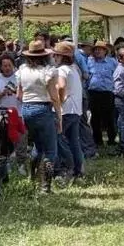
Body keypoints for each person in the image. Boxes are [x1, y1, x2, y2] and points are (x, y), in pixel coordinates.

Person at [17, 40, 60, 192]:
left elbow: (19, 95)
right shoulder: (48, 71)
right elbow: (54, 97)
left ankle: (33, 177)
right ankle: (45, 187)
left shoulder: (22, 70)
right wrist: (59, 117)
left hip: (26, 109)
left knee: (37, 146)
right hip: (42, 107)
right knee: (50, 150)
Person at [54, 42, 84, 180]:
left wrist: (58, 102)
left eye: (56, 55)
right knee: (74, 141)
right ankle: (78, 169)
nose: (54, 57)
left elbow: (61, 87)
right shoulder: (74, 68)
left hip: (66, 110)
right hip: (76, 109)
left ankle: (68, 166)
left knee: (58, 138)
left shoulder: (62, 70)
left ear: (61, 57)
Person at [86, 40, 118, 149]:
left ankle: (112, 139)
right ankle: (97, 140)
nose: (98, 51)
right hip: (93, 92)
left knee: (109, 117)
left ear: (105, 51)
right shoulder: (89, 61)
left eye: (100, 49)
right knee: (95, 117)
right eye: (95, 49)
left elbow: (117, 75)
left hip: (107, 93)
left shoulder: (112, 62)